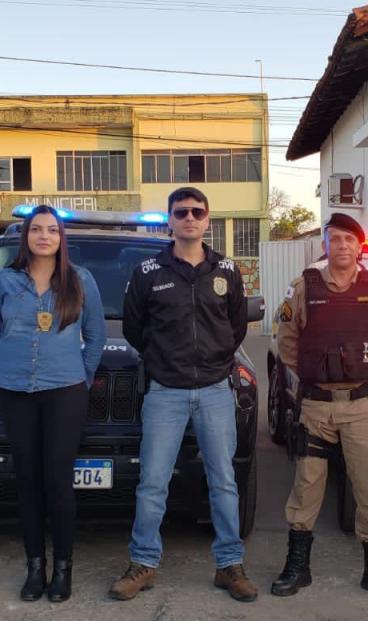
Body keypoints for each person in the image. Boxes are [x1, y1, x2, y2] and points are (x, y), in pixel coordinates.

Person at [108, 187, 257, 603]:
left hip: (213, 391)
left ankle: (229, 566)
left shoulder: (226, 270)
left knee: (224, 482)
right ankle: (143, 563)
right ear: (169, 220)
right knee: (152, 483)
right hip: (165, 393)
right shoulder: (148, 271)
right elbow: (135, 328)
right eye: (181, 212)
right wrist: (163, 362)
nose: (189, 217)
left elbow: (235, 327)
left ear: (208, 219)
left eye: (197, 211)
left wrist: (213, 361)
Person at [269, 213, 368, 603]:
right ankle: (298, 566)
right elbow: (288, 341)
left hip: (360, 406)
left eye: (348, 239)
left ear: (359, 246)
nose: (341, 245)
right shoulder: (303, 288)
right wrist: (316, 374)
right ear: (324, 244)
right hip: (315, 405)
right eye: (334, 239)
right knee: (306, 487)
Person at [0, 205, 106, 603]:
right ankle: (35, 567)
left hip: (64, 391)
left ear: (60, 238)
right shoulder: (5, 281)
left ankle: (63, 569)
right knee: (28, 480)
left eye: (52, 230)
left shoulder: (80, 280)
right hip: (16, 391)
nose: (44, 236)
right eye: (37, 229)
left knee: (57, 481)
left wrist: (81, 378)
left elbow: (96, 336)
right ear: (27, 236)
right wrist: (11, 366)